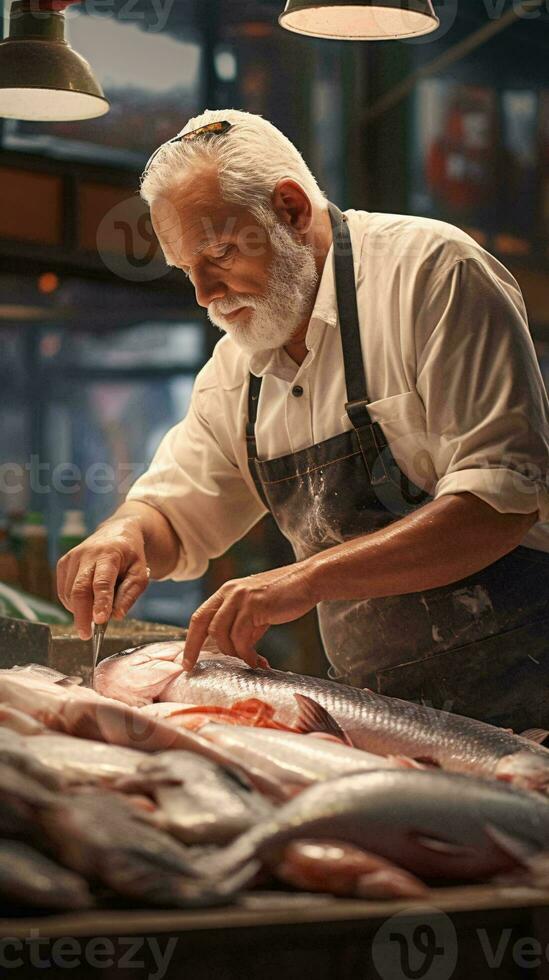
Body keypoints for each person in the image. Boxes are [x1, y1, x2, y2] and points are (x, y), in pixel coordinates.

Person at [57, 109, 549, 731]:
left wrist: (300, 581)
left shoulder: (433, 274)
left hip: (532, 703)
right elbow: (173, 516)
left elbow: (501, 499)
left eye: (220, 254)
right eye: (189, 270)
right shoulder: (238, 371)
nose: (206, 294)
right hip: (383, 721)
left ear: (289, 209)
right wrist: (121, 535)